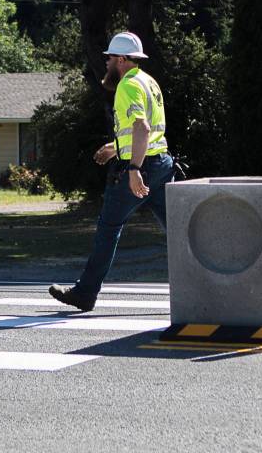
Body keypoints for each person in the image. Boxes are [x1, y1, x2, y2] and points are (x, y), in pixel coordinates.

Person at [49, 31, 174, 311]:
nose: (106, 64)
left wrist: (133, 168)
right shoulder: (148, 81)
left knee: (109, 228)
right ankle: (204, 288)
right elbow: (146, 133)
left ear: (120, 59)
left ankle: (85, 293)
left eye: (109, 59)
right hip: (162, 165)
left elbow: (141, 128)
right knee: (179, 232)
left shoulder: (127, 85)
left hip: (142, 167)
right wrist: (116, 147)